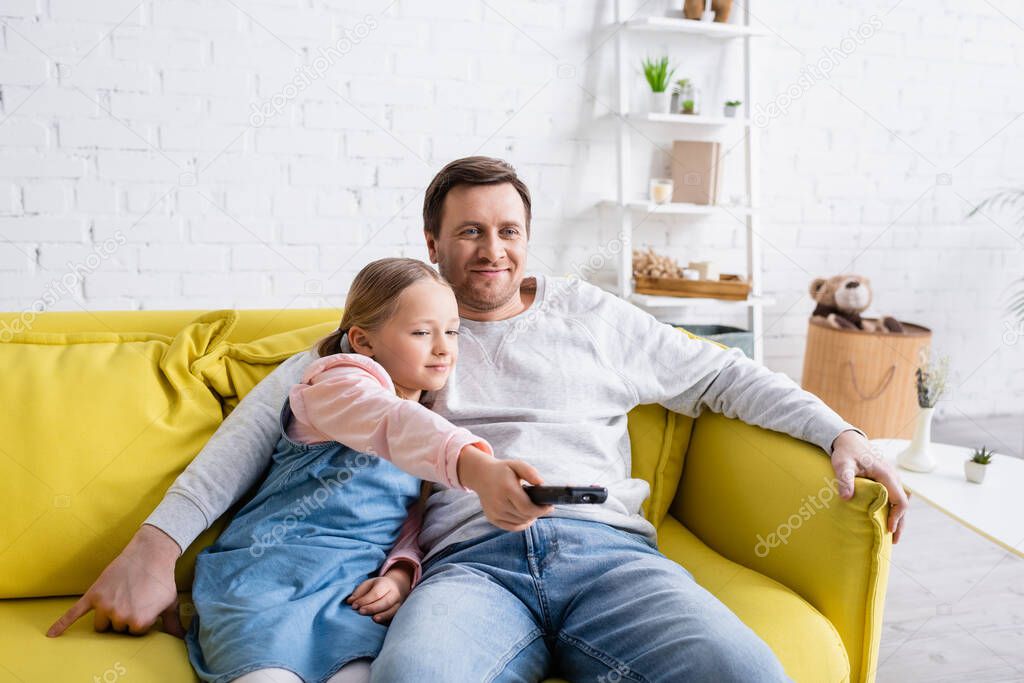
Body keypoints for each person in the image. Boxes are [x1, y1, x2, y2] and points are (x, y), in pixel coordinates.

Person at [50, 156, 909, 682]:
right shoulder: (391, 337)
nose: (492, 251)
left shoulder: (593, 317)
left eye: (509, 231)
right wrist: (155, 546)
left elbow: (723, 378)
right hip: (466, 570)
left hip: (607, 552)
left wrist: (841, 431)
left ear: (530, 238)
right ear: (433, 240)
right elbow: (254, 432)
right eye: (469, 232)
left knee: (747, 673)